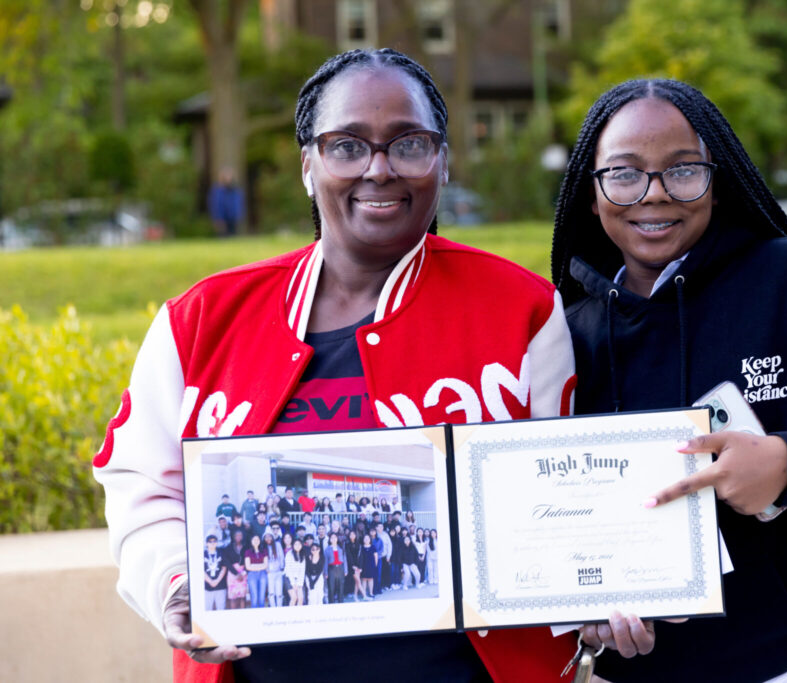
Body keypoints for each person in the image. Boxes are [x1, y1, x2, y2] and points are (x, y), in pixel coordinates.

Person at [93, 47, 577, 682]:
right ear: (307, 164)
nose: (379, 170)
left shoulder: (524, 310)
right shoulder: (201, 319)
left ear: (443, 162)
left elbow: (570, 498)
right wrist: (175, 587)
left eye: (409, 144)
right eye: (347, 146)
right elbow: (142, 488)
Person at [550, 78, 787, 682]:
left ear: (718, 176)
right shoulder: (561, 337)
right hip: (639, 669)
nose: (653, 195)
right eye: (623, 174)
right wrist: (583, 607)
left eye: (683, 171)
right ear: (590, 193)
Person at [207, 166, 244, 237]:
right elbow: (215, 205)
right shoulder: (217, 190)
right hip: (222, 219)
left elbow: (238, 204)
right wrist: (217, 218)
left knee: (233, 238)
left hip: (233, 218)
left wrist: (238, 216)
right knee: (223, 237)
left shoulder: (236, 190)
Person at [223, 530, 248, 610]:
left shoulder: (246, 547)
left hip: (243, 574)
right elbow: (226, 562)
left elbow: (248, 560)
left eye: (240, 535)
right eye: (237, 535)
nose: (239, 537)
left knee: (243, 597)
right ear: (233, 537)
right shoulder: (228, 547)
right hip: (232, 574)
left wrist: (243, 573)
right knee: (233, 598)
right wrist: (236, 573)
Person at [202, 535, 227, 611]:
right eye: (210, 542)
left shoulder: (221, 553)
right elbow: (200, 569)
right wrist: (210, 581)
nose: (212, 543)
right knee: (207, 608)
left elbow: (224, 567)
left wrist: (216, 581)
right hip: (207, 587)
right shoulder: (202, 554)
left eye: (214, 541)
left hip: (220, 586)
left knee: (221, 608)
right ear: (206, 543)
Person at [243, 533, 268, 609]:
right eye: (254, 539)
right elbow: (248, 567)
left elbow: (265, 565)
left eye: (257, 539)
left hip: (263, 574)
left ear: (260, 541)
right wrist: (260, 566)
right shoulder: (247, 552)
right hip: (252, 575)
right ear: (251, 541)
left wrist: (253, 566)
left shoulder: (264, 551)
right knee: (254, 597)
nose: (256, 541)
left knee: (261, 597)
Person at [265, 531, 285, 608]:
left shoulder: (277, 545)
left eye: (270, 536)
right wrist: (266, 569)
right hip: (269, 573)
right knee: (271, 593)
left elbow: (281, 557)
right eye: (266, 537)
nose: (268, 538)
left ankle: (279, 607)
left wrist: (282, 567)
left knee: (279, 593)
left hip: (278, 572)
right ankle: (273, 607)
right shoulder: (263, 547)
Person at [283, 538, 306, 607]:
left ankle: (299, 616)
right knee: (294, 598)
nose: (297, 546)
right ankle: (291, 616)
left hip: (298, 579)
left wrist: (299, 584)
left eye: (299, 544)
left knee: (301, 598)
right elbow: (289, 570)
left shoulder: (302, 555)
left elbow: (302, 571)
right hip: (288, 578)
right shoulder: (289, 554)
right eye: (295, 544)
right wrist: (293, 583)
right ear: (293, 545)